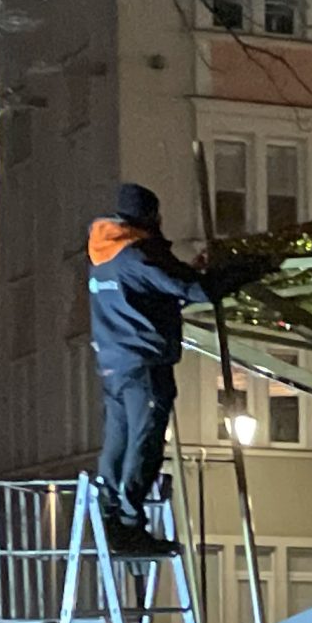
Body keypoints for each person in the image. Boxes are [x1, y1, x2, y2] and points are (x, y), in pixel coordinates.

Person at [85, 183, 267, 557]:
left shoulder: (103, 254)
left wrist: (182, 274)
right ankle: (130, 524)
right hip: (145, 364)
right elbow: (196, 290)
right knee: (146, 443)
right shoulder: (139, 255)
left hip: (114, 365)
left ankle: (109, 514)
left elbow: (150, 294)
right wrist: (251, 269)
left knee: (119, 440)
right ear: (151, 216)